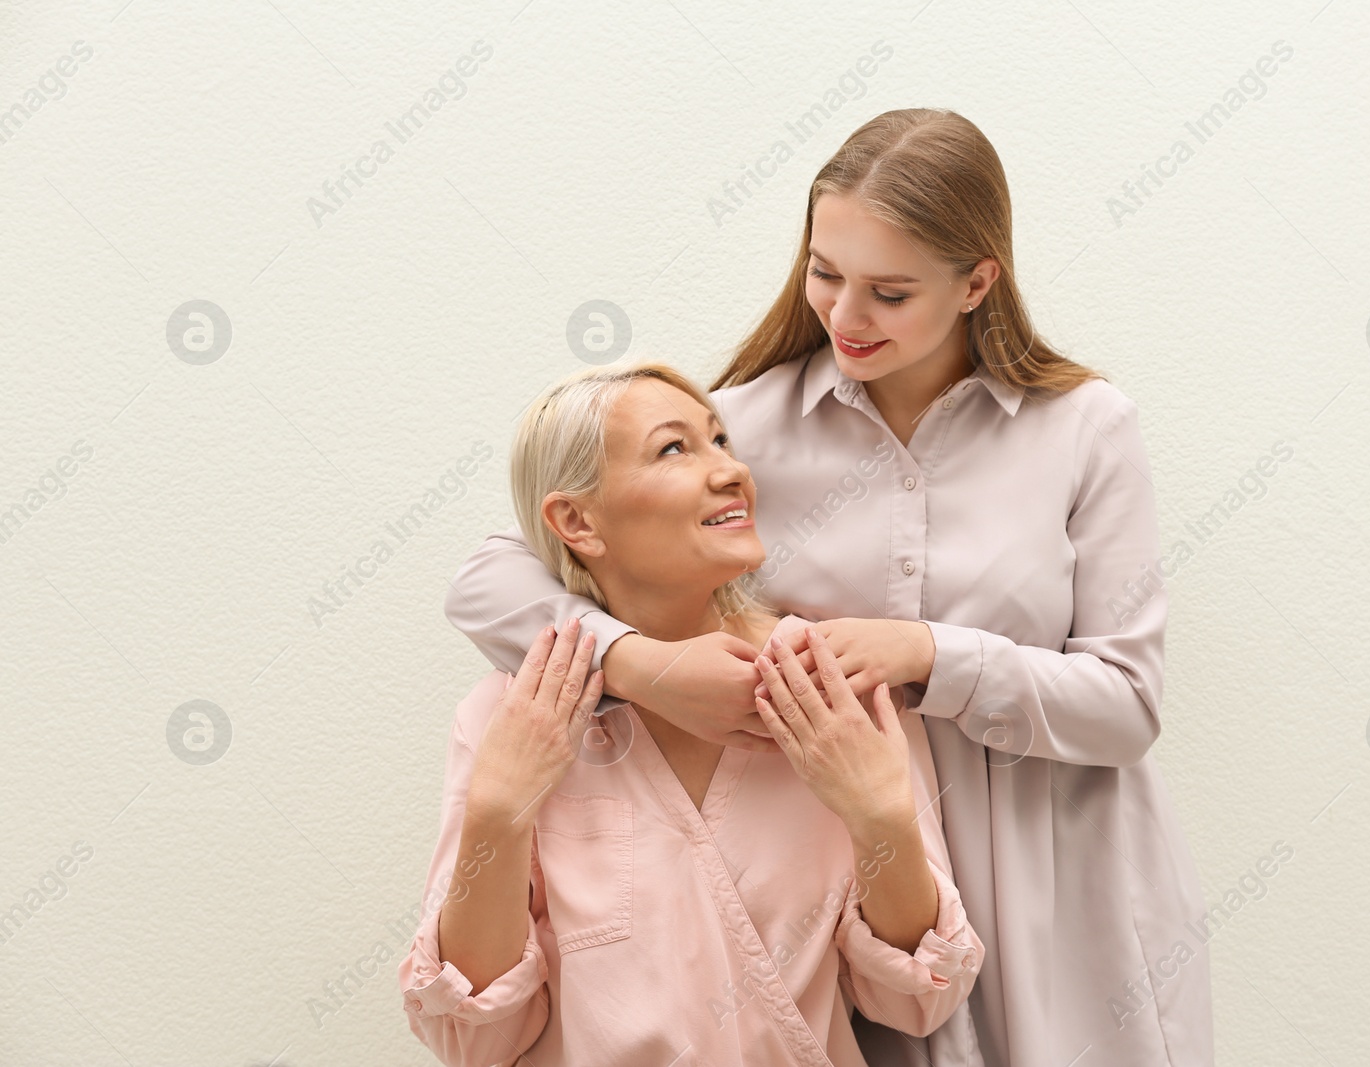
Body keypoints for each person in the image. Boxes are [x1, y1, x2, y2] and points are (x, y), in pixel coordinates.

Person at [446, 108, 1212, 1066]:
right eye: (825, 273)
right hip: (849, 891)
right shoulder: (739, 425)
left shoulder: (1085, 429)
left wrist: (927, 652)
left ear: (978, 281)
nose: (845, 318)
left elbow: (1127, 704)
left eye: (889, 292)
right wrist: (642, 669)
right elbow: (489, 575)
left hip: (1057, 874)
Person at [398, 362, 985, 1067]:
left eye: (721, 441)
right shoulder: (511, 711)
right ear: (577, 520)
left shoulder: (835, 692)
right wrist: (497, 812)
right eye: (675, 448)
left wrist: (881, 816)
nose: (731, 471)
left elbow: (917, 999)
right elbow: (473, 1034)